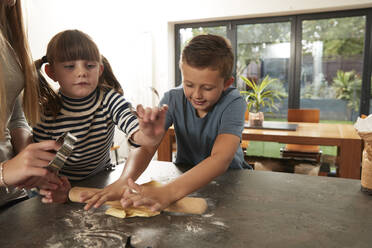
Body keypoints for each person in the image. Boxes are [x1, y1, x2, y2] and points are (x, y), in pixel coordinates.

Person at [82, 34, 249, 212]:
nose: (197, 94)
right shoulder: (173, 99)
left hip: (228, 180)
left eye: (207, 88)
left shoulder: (234, 103)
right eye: (189, 84)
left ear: (226, 83)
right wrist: (123, 181)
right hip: (184, 178)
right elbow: (147, 147)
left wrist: (167, 192)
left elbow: (220, 159)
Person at [32, 29, 167, 203]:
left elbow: (133, 129)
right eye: (69, 66)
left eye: (90, 66)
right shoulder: (47, 111)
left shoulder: (109, 100)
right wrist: (55, 189)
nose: (82, 72)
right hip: (59, 184)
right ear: (52, 73)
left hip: (99, 180)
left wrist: (146, 135)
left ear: (100, 69)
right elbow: (41, 164)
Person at [0, 0, 62, 207]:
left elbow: (14, 117)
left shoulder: (8, 33)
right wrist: (4, 172)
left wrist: (34, 162)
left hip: (10, 196)